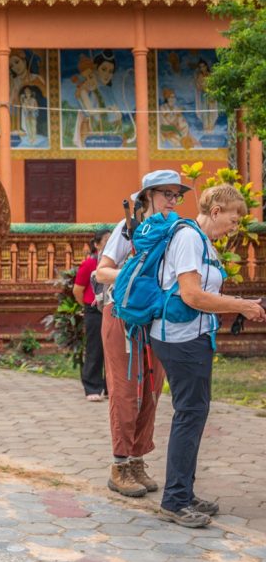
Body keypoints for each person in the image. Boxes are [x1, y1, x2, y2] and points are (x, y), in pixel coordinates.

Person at [150, 184, 266, 527]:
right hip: (182, 340)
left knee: (194, 414)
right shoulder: (189, 238)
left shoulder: (202, 241)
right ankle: (174, 500)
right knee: (190, 414)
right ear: (215, 211)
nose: (235, 226)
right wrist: (242, 306)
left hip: (193, 338)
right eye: (233, 218)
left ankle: (183, 493)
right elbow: (192, 296)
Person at [94, 170, 183, 498]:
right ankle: (119, 465)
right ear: (147, 198)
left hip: (156, 319)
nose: (172, 202)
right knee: (125, 390)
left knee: (152, 389)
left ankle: (137, 460)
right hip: (122, 317)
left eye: (177, 196)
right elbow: (102, 271)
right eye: (167, 194)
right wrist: (132, 274)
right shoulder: (128, 229)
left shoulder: (175, 231)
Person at [73, 232, 109, 401]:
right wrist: (88, 305)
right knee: (95, 348)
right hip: (94, 311)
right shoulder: (89, 264)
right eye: (106, 241)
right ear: (97, 245)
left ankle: (111, 387)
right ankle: (92, 387)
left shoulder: (116, 264)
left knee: (114, 349)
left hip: (112, 308)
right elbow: (77, 290)